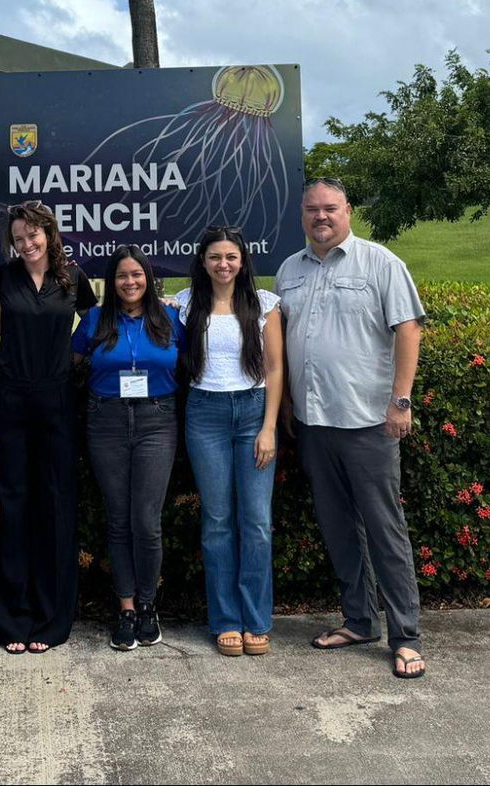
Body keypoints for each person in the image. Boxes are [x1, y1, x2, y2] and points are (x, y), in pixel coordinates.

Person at [274, 179, 428, 680]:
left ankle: (406, 636)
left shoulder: (380, 263)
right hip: (314, 423)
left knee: (384, 529)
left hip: (368, 421)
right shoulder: (289, 271)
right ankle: (359, 620)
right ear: (302, 215)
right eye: (312, 209)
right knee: (338, 528)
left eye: (330, 209)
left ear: (348, 211)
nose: (321, 217)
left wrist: (400, 401)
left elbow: (408, 328)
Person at [0, 201, 97, 654]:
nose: (26, 244)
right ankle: (12, 618)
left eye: (33, 235)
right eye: (18, 238)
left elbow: (95, 324)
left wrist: (64, 363)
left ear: (49, 233)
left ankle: (51, 619)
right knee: (11, 506)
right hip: (9, 399)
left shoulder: (73, 278)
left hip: (57, 402)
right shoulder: (1, 278)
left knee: (55, 505)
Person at [175, 226, 284, 657]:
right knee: (218, 522)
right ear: (203, 261)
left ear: (243, 262)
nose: (223, 264)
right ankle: (225, 620)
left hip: (254, 413)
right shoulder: (184, 304)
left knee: (256, 521)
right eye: (215, 257)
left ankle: (256, 619)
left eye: (231, 257)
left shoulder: (264, 305)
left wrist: (269, 427)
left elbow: (275, 368)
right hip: (205, 414)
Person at [72, 245, 183, 651]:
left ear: (148, 278)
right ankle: (126, 608)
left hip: (157, 420)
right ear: (111, 282)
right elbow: (69, 360)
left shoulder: (169, 317)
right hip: (107, 421)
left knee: (146, 521)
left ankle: (149, 605)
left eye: (137, 274)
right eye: (122, 276)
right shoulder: (95, 319)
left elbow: (194, 359)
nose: (130, 282)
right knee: (118, 519)